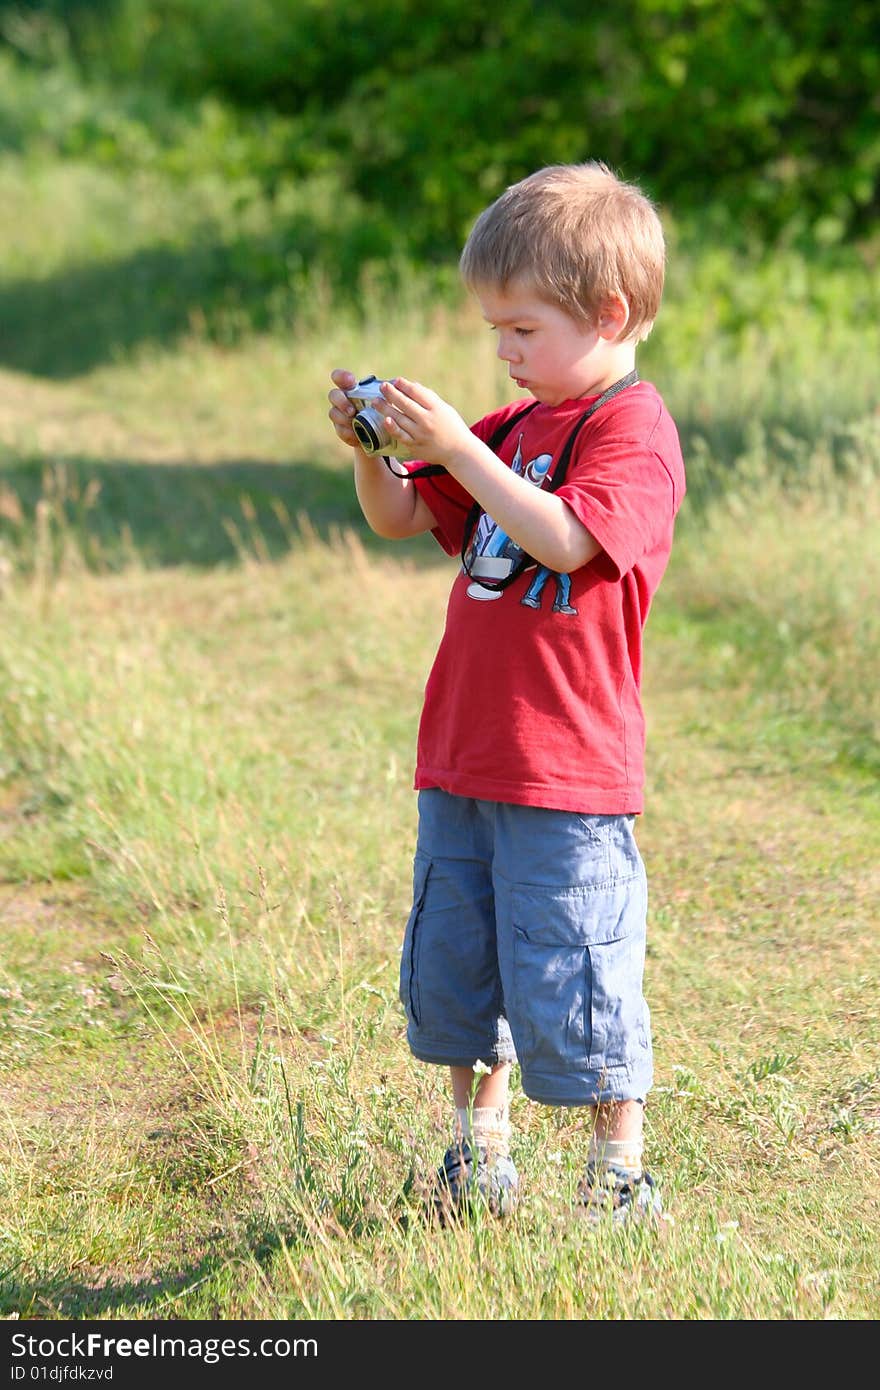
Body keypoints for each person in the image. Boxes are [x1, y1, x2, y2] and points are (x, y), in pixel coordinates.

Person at [327, 162, 685, 1225]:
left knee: (574, 963)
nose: (503, 351)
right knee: (460, 963)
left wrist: (463, 451)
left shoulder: (629, 430)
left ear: (608, 313)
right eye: (494, 329)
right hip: (465, 753)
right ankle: (477, 1154)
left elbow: (569, 536)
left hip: (564, 766)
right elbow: (399, 518)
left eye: (521, 329)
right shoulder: (512, 427)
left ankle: (616, 1173)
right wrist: (376, 452)